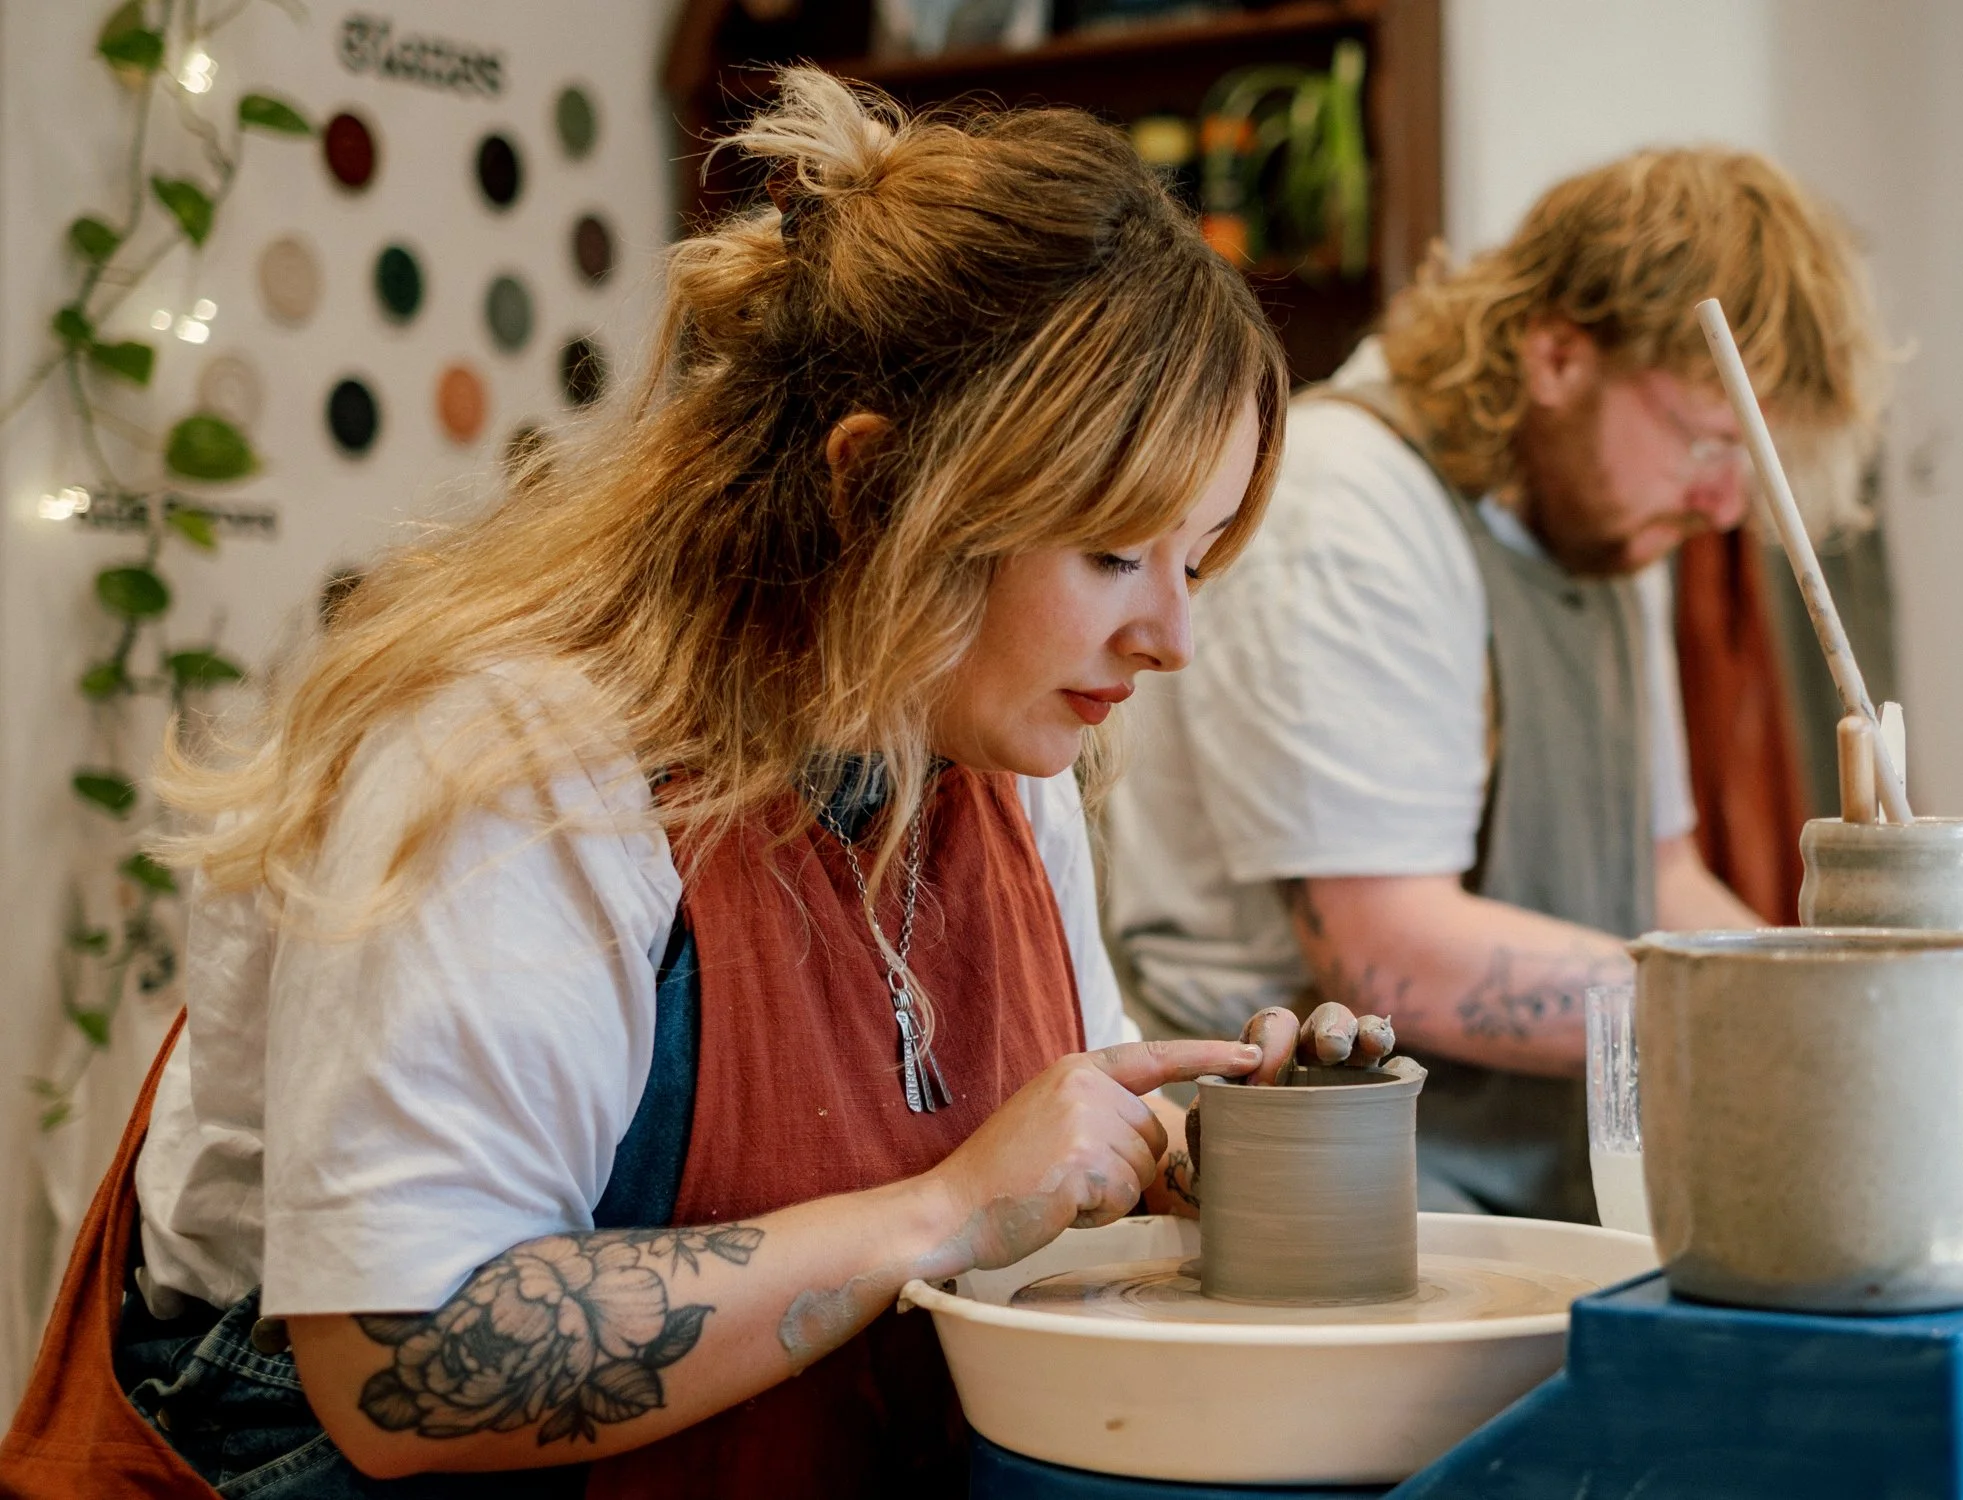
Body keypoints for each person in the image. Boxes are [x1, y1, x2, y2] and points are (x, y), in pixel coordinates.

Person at [0, 72, 1389, 1499]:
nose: (1171, 637)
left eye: (1199, 558)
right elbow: (400, 1368)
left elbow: (1049, 1127)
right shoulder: (517, 761)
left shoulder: (989, 737)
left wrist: (1199, 1140)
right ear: (874, 491)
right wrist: (946, 1213)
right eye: (1111, 556)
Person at [1110, 148, 1886, 1223]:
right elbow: (1388, 955)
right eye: (1706, 442)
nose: (1721, 508)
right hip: (1316, 1164)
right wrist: (1769, 1010)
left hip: (1539, 1154)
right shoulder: (1349, 504)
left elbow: (1658, 878)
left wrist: (1833, 983)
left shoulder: (1610, 534)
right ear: (1560, 356)